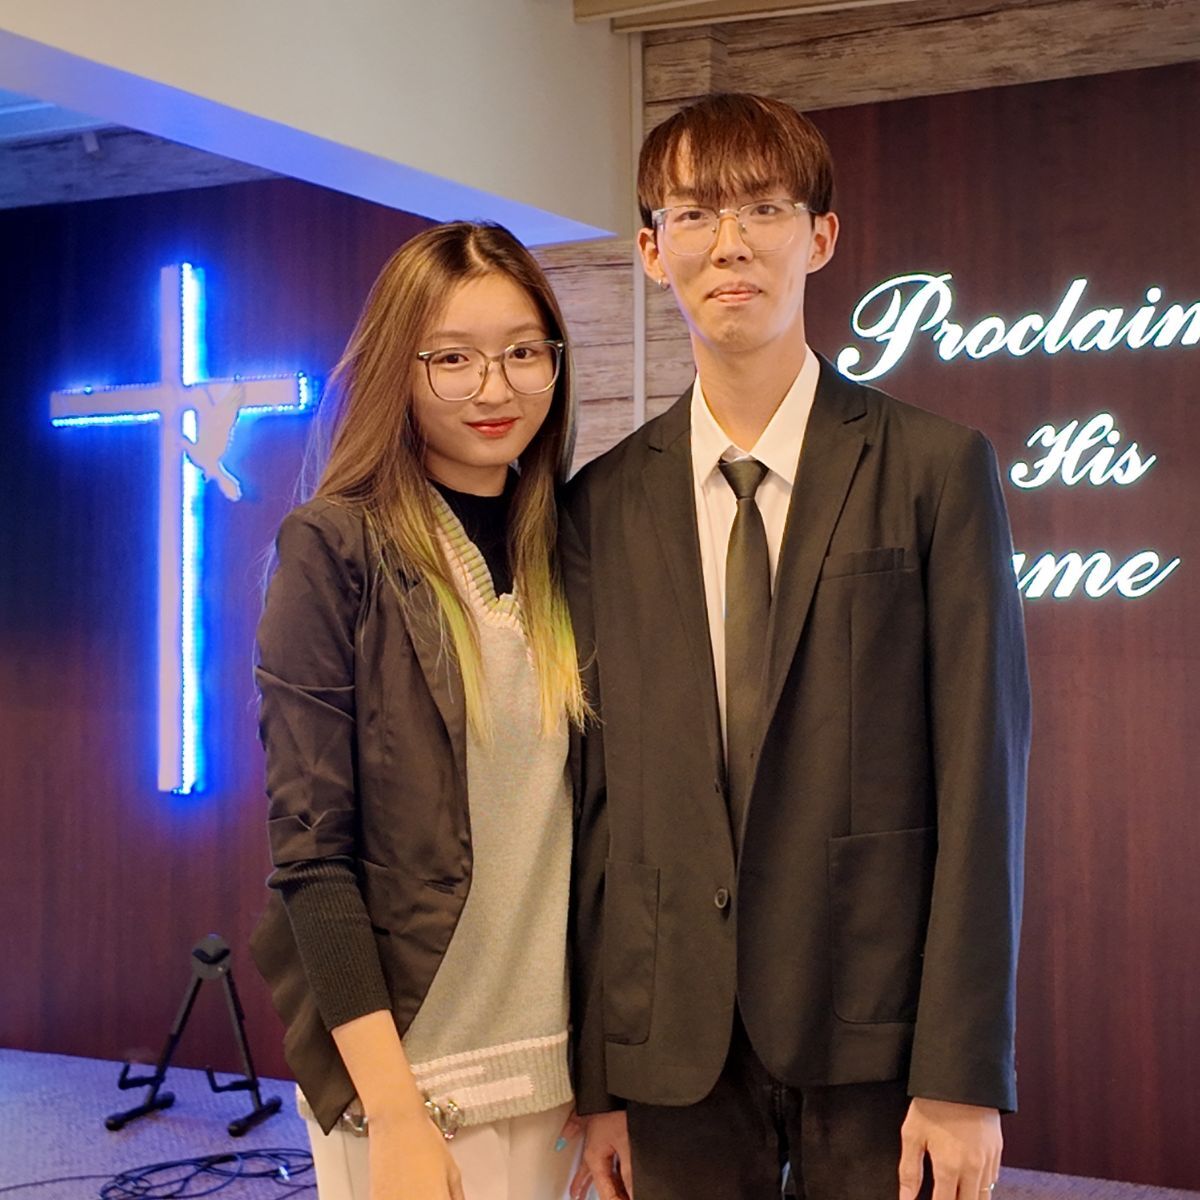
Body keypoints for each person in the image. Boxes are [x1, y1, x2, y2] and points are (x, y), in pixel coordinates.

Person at [563, 93, 1030, 1200]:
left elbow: (983, 782)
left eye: (763, 209)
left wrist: (963, 1074)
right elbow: (596, 803)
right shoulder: (600, 503)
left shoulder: (935, 470)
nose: (729, 244)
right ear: (653, 251)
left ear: (819, 237)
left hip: (877, 1027)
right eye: (694, 214)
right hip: (669, 1038)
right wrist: (599, 1077)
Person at [250, 221, 587, 1200]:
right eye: (453, 358)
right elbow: (312, 854)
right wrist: (392, 1109)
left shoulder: (573, 546)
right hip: (411, 1080)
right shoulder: (334, 550)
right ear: (399, 367)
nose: (494, 388)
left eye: (523, 353)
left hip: (565, 1075)